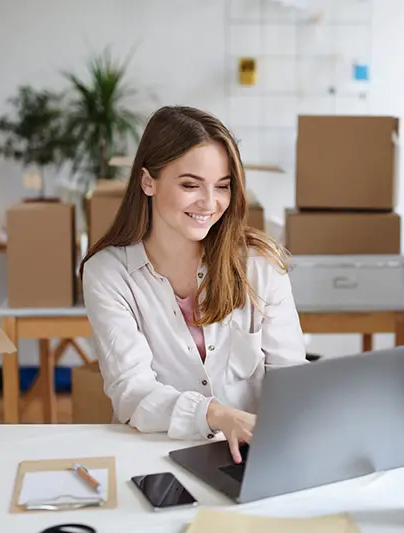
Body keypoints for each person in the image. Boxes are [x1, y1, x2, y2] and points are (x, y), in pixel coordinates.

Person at [79, 105, 307, 463]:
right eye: (190, 185)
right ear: (147, 181)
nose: (210, 203)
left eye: (222, 187)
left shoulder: (260, 265)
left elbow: (292, 379)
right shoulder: (108, 273)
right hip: (153, 455)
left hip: (251, 459)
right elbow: (133, 393)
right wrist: (217, 415)